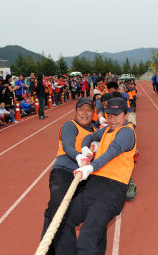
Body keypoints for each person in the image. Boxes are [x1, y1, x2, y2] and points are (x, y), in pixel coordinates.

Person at [55, 97, 136, 255]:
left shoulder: (126, 132)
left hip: (112, 190)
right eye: (109, 115)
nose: (112, 119)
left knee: (87, 238)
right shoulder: (107, 129)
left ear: (126, 115)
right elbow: (89, 137)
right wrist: (85, 148)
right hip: (94, 186)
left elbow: (113, 151)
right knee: (64, 220)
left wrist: (90, 168)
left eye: (116, 115)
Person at [41, 97, 96, 254]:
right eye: (81, 110)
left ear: (93, 112)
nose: (85, 113)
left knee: (71, 215)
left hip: (84, 177)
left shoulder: (94, 131)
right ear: (76, 111)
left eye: (88, 110)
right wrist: (79, 156)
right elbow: (67, 145)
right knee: (58, 208)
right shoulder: (70, 126)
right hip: (64, 172)